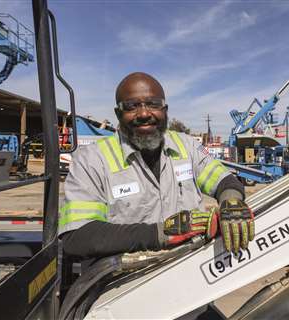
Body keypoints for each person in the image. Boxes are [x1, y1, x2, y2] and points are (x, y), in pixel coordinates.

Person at [59, 72, 255, 260]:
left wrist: (231, 201)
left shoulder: (187, 146)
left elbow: (224, 180)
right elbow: (78, 236)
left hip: (194, 274)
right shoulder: (92, 160)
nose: (144, 113)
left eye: (153, 104)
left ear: (165, 110)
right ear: (118, 113)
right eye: (132, 106)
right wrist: (160, 233)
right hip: (129, 282)